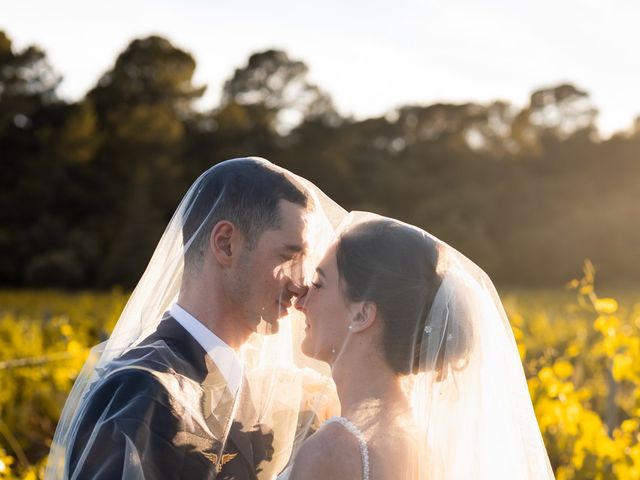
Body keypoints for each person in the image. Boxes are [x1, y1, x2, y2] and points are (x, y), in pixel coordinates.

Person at [45, 157, 345, 479]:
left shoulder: (251, 388)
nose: (301, 284)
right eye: (288, 257)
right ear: (225, 243)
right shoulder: (141, 390)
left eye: (306, 262)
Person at [283, 212, 555, 480]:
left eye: (318, 284)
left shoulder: (332, 452)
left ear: (362, 315)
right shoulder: (418, 441)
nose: (300, 301)